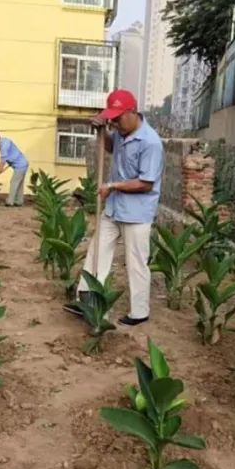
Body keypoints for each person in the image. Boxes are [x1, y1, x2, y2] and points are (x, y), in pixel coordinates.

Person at [64, 89, 162, 326]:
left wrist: (113, 185)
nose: (115, 123)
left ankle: (139, 312)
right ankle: (86, 300)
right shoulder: (121, 132)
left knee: (136, 262)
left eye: (118, 118)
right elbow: (109, 147)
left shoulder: (150, 142)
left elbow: (146, 183)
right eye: (112, 119)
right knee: (96, 252)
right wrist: (102, 130)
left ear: (132, 112)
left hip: (137, 213)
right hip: (114, 207)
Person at [0, 131, 29, 207]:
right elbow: (11, 154)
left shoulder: (4, 146)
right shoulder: (4, 141)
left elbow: (2, 162)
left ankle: (10, 202)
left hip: (20, 165)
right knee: (19, 183)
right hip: (22, 163)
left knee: (14, 182)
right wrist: (10, 161)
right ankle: (19, 201)